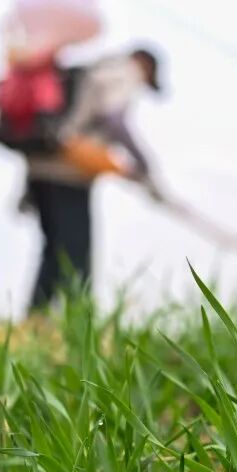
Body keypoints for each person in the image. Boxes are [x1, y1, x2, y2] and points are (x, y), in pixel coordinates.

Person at [22, 47, 163, 311]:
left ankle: (35, 316)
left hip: (40, 164)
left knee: (53, 249)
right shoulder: (125, 72)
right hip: (68, 170)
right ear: (145, 66)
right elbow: (114, 119)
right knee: (76, 251)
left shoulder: (94, 68)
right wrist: (143, 162)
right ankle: (79, 319)